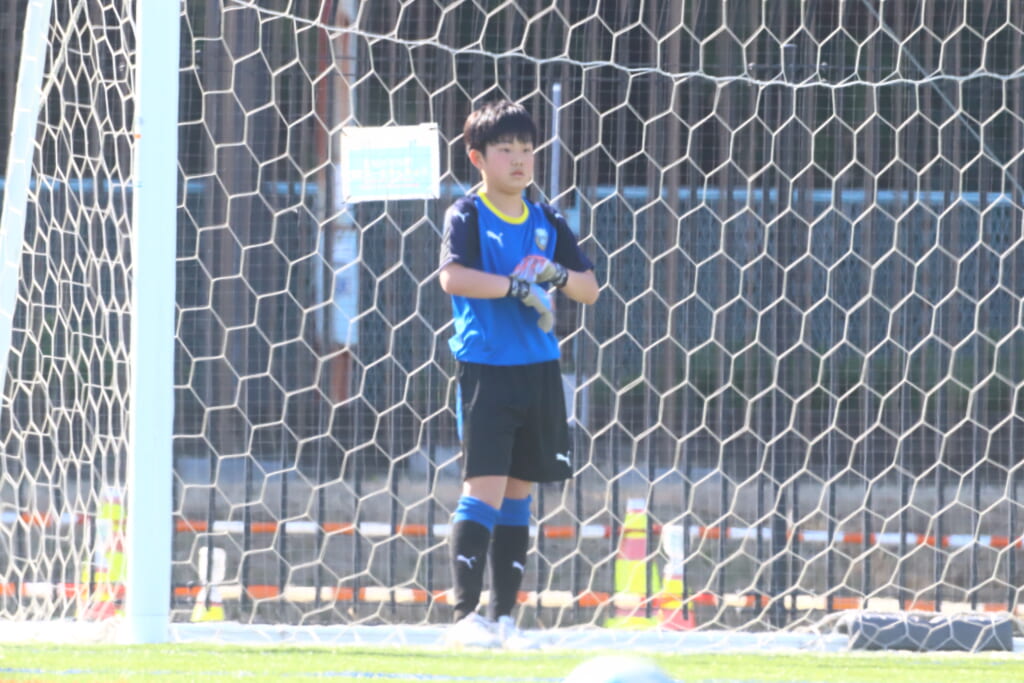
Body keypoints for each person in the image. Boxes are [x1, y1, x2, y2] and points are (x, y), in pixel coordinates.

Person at [438, 99, 599, 648]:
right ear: (477, 157)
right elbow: (453, 278)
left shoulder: (547, 219)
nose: (519, 160)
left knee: (518, 494)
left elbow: (589, 288)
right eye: (505, 149)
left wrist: (553, 273)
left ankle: (504, 620)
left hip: (539, 371)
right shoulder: (467, 214)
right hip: (487, 368)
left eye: (527, 149)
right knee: (482, 489)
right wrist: (515, 286)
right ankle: (465, 618)